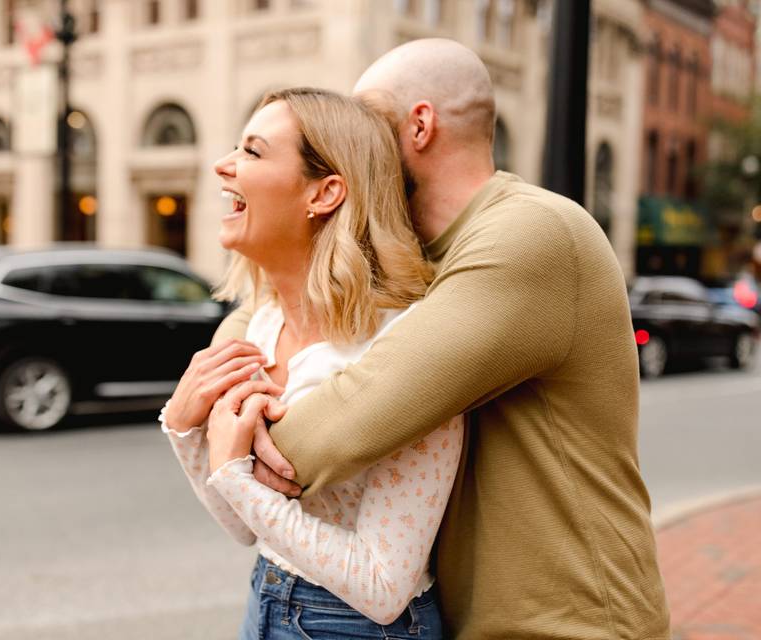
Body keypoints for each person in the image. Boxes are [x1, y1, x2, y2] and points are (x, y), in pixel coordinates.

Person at [213, 39, 672, 639]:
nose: (346, 135)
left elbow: (343, 423)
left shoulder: (529, 235)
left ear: (419, 126)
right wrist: (221, 385)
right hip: (471, 619)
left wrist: (224, 435)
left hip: (572, 621)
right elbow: (256, 317)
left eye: (365, 118)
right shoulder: (415, 251)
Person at [161, 87, 461, 639]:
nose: (222, 165)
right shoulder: (261, 327)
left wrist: (232, 471)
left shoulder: (404, 347)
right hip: (266, 599)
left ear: (325, 193)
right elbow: (243, 527)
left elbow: (384, 587)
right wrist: (183, 426)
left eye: (251, 152)